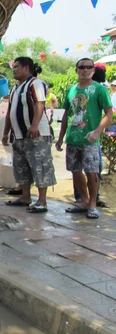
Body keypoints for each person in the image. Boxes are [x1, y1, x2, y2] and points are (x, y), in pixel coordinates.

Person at [56, 58, 113, 219]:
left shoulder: (99, 90)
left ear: (93, 70)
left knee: (92, 172)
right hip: (73, 138)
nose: (85, 70)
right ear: (77, 70)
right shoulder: (71, 90)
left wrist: (97, 131)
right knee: (75, 171)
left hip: (90, 139)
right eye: (82, 67)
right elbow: (67, 115)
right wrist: (60, 138)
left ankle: (93, 204)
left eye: (89, 67)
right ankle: (84, 200)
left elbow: (108, 113)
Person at [2, 57, 56, 214]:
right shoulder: (15, 88)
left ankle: (42, 201)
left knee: (40, 166)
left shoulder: (35, 84)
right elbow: (9, 113)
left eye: (17, 67)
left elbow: (39, 104)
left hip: (36, 134)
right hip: (18, 136)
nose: (14, 70)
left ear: (26, 68)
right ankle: (25, 196)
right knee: (21, 167)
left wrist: (34, 125)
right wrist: (6, 132)